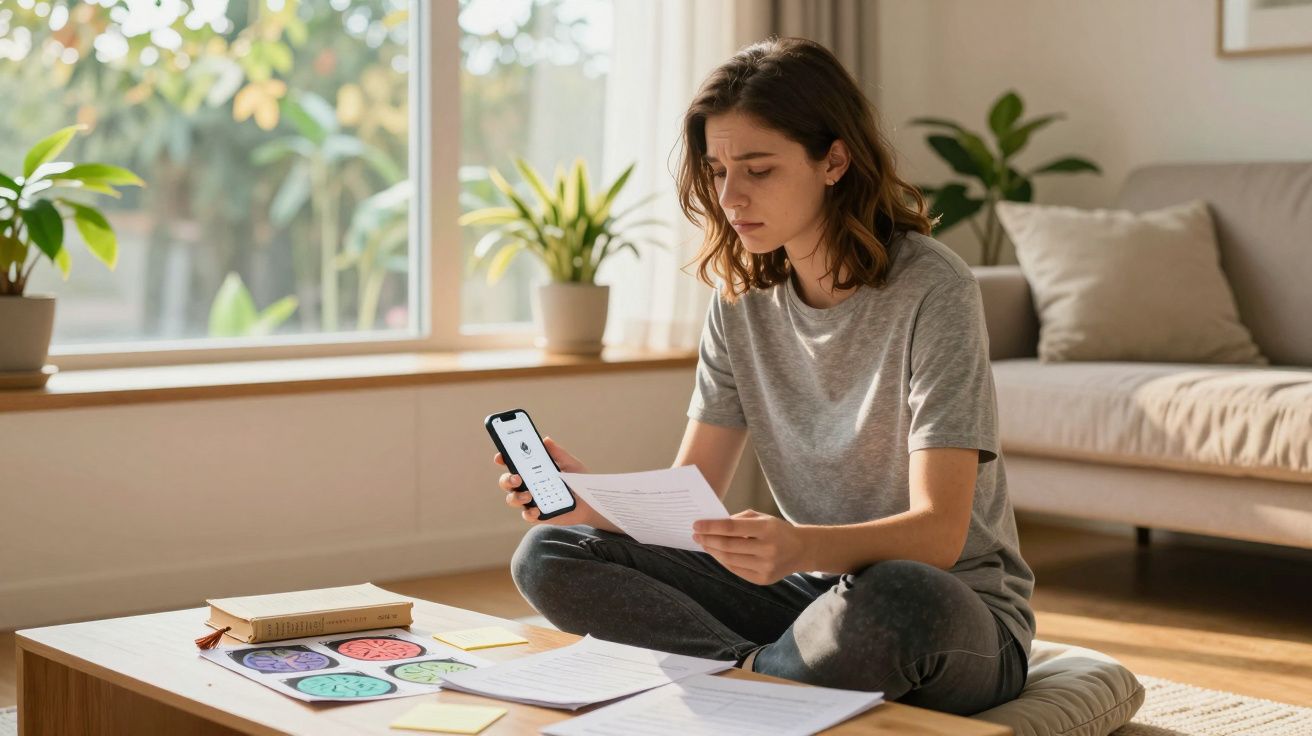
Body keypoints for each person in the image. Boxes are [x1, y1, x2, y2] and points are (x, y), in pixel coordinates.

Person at [491, 37, 1033, 715]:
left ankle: (754, 683)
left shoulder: (934, 287)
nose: (730, 196)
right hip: (812, 595)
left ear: (834, 160)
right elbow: (692, 498)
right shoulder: (740, 300)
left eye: (758, 169)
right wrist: (592, 503)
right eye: (718, 170)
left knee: (898, 595)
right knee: (549, 552)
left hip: (952, 608)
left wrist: (800, 545)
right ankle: (760, 681)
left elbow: (939, 534)